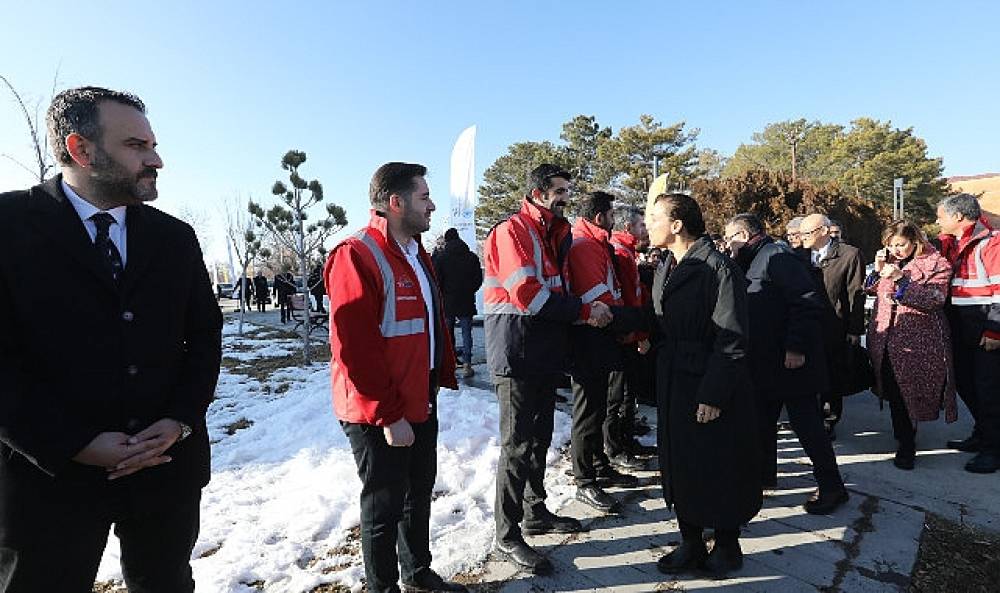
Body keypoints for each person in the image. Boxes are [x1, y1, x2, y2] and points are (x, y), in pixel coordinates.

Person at [0, 86, 222, 592]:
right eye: (136, 146)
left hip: (166, 470)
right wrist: (72, 444)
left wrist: (180, 420)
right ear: (81, 149)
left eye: (153, 144)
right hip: (47, 478)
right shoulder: (8, 226)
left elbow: (205, 336)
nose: (156, 159)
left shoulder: (176, 237)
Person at [325, 162, 465, 593]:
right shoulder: (357, 254)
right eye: (425, 197)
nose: (433, 205)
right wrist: (388, 415)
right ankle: (382, 586)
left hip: (417, 395)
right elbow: (356, 348)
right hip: (376, 409)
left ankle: (417, 572)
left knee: (417, 492)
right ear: (395, 202)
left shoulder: (416, 253)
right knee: (384, 504)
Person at [483, 164, 611, 575]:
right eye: (559, 191)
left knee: (537, 439)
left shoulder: (550, 234)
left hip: (540, 352)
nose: (566, 197)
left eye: (568, 191)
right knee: (517, 444)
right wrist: (586, 312)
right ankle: (507, 534)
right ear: (538, 193)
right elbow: (529, 295)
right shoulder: (513, 231)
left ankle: (536, 513)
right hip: (517, 352)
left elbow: (553, 293)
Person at [646, 193, 761, 579]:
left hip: (709, 380)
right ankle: (691, 540)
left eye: (654, 218)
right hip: (675, 378)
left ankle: (727, 545)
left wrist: (714, 393)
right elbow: (661, 318)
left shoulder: (718, 268)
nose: (648, 224)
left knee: (717, 462)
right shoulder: (669, 264)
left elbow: (732, 337)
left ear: (677, 225)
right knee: (681, 462)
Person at [725, 214, 848, 514]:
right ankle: (762, 478)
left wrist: (796, 347)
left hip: (791, 362)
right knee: (761, 424)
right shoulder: (753, 258)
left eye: (730, 237)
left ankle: (832, 487)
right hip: (766, 362)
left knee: (807, 427)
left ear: (743, 234)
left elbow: (805, 301)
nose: (727, 242)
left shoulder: (776, 256)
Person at [566, 192, 643, 515]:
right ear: (600, 217)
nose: (615, 220)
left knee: (597, 408)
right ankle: (585, 479)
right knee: (587, 413)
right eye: (611, 214)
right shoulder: (584, 245)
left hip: (601, 337)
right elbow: (598, 295)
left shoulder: (595, 243)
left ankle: (599, 464)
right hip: (589, 339)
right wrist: (630, 321)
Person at [866, 220, 957, 470]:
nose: (896, 250)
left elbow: (935, 299)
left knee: (909, 390)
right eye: (890, 245)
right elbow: (871, 289)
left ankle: (907, 444)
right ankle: (903, 436)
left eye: (901, 244)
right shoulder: (891, 262)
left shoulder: (937, 264)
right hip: (886, 337)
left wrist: (902, 281)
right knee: (894, 391)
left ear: (915, 242)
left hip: (919, 339)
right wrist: (878, 269)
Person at [936, 194, 1000, 473]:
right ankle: (983, 433)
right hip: (961, 325)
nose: (938, 221)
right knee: (965, 383)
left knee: (989, 390)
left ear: (958, 217)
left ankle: (993, 450)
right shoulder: (952, 244)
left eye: (941, 216)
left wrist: (995, 330)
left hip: (985, 324)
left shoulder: (991, 243)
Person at [799, 213, 866, 438]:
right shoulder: (798, 255)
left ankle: (828, 420)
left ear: (824, 231)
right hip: (805, 325)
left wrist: (854, 330)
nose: (803, 237)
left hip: (834, 327)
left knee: (832, 377)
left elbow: (855, 294)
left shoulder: (849, 255)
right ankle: (807, 417)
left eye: (807, 233)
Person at [610, 207, 655, 453]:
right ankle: (620, 446)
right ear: (628, 228)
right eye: (641, 226)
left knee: (627, 393)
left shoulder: (627, 251)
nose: (645, 231)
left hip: (630, 332)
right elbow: (629, 298)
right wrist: (640, 335)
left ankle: (626, 440)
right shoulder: (621, 253)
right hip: (627, 334)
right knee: (622, 395)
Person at [432, 227, 483, 379]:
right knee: (467, 332)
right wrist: (469, 290)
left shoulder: (441, 258)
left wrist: (443, 294)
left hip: (448, 301)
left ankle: (452, 362)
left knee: (448, 333)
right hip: (466, 300)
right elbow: (478, 279)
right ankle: (467, 364)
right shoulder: (472, 257)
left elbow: (437, 280)